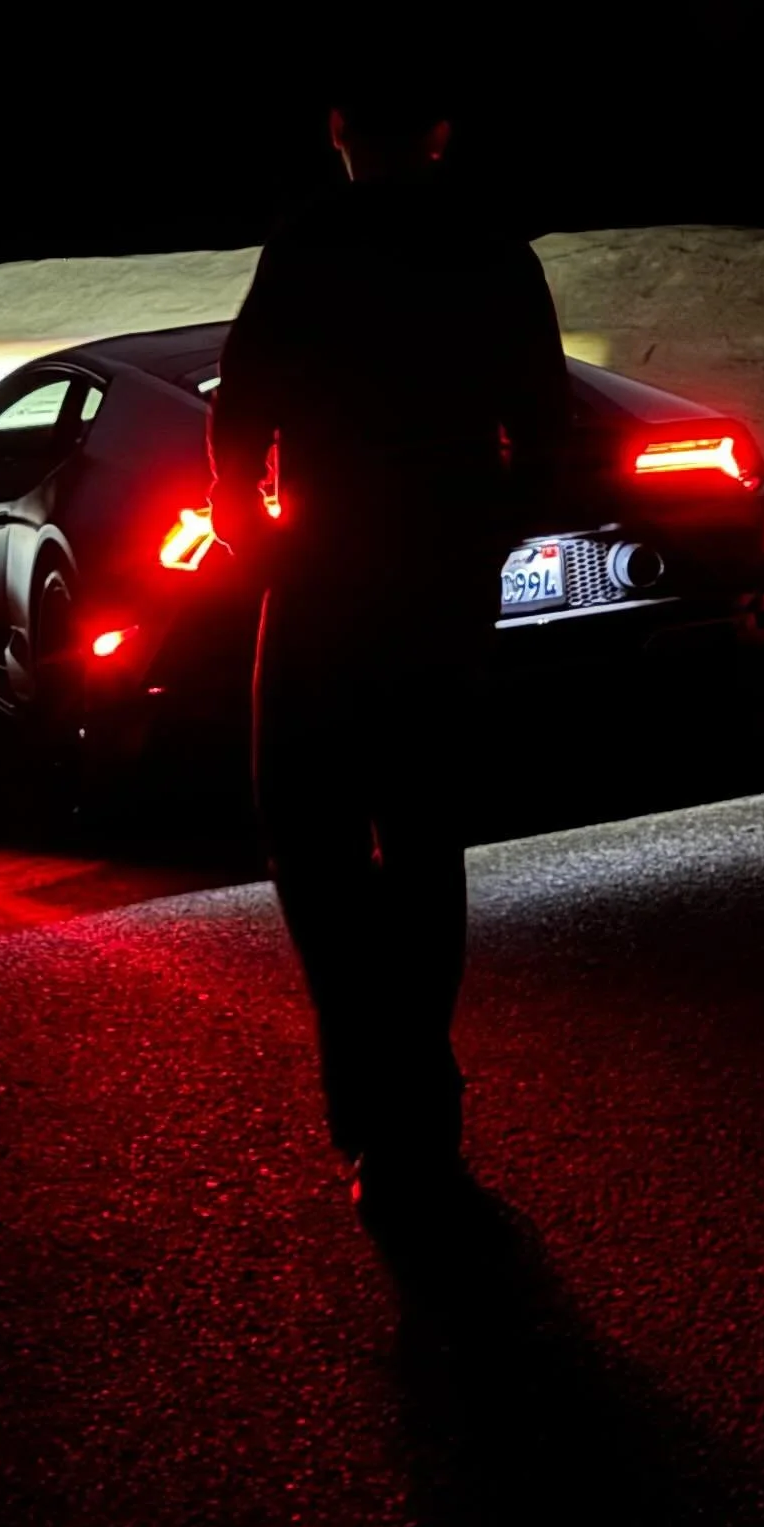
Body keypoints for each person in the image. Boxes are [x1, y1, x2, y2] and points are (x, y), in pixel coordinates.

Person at [209, 70, 572, 1234]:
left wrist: (249, 523)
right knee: (422, 841)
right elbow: (548, 426)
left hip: (323, 570)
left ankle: (370, 1107)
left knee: (308, 834)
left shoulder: (309, 241)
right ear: (441, 134)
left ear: (338, 133)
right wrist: (487, 533)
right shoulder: (493, 248)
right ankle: (423, 1107)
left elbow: (242, 406)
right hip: (442, 582)